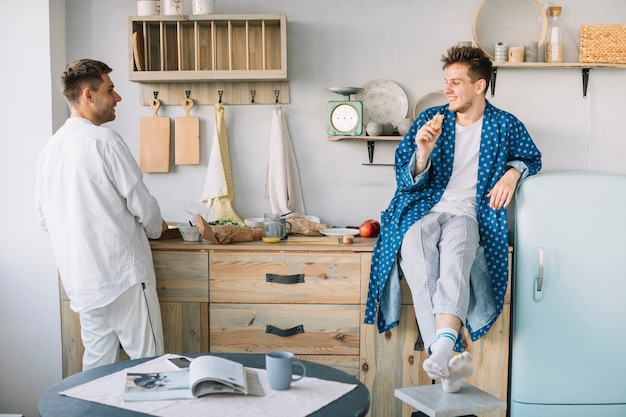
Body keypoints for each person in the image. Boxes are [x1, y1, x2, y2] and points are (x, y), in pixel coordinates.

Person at [364, 46, 542, 392]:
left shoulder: (504, 125)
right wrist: (423, 152)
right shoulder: (430, 121)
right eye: (446, 81)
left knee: (458, 258)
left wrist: (512, 174)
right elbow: (403, 177)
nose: (447, 89)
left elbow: (531, 157)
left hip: (467, 213)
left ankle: (440, 354)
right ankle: (444, 353)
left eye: (456, 82)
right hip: (420, 209)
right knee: (418, 259)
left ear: (479, 86)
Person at [36, 59, 168, 371]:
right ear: (88, 95)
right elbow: (144, 208)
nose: (118, 97)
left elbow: (44, 220)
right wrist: (157, 227)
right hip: (123, 277)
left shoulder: (49, 150)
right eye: (111, 89)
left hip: (82, 282)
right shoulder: (105, 142)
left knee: (96, 371)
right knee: (150, 367)